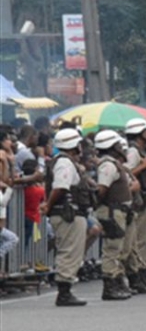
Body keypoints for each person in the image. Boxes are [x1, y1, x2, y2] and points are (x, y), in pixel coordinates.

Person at [40, 127, 93, 306]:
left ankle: (66, 290)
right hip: (68, 213)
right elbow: (61, 186)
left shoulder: (64, 161)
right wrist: (49, 204)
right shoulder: (65, 163)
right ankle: (64, 292)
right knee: (69, 251)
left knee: (70, 250)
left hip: (68, 212)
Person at [93, 130, 137, 301]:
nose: (121, 148)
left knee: (119, 248)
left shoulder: (113, 163)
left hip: (119, 211)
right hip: (113, 211)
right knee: (112, 248)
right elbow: (102, 189)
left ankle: (117, 281)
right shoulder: (108, 165)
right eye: (118, 145)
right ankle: (109, 286)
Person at [123, 118, 146, 293]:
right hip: (140, 200)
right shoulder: (133, 152)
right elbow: (126, 173)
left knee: (144, 240)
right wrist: (143, 165)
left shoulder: (142, 150)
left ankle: (142, 273)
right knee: (139, 240)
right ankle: (137, 274)